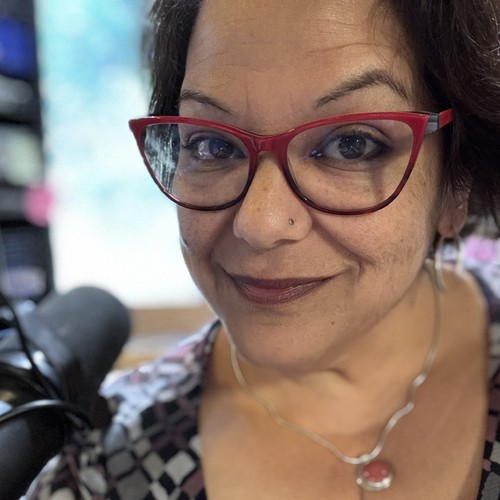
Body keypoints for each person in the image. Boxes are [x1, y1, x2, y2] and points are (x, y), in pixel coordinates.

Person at [28, 0, 500, 498]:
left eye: (351, 145)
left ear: (457, 183)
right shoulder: (103, 470)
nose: (260, 223)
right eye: (212, 145)